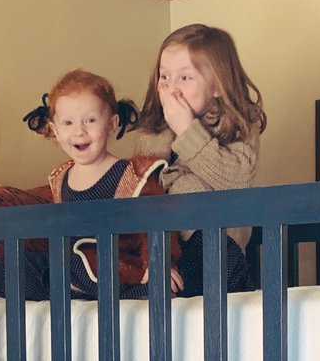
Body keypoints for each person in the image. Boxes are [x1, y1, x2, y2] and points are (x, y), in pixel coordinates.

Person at [15, 68, 182, 301]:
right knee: (14, 268)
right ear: (55, 129)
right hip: (72, 266)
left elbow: (156, 225)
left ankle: (135, 291)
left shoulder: (133, 175)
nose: (79, 131)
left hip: (121, 266)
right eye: (68, 123)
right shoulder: (60, 178)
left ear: (113, 124)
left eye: (90, 120)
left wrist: (159, 263)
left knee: (87, 267)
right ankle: (68, 287)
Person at [132, 23, 267, 295]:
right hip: (166, 246)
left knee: (218, 259)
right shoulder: (152, 132)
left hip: (216, 244)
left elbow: (236, 181)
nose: (172, 89)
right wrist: (157, 259)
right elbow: (143, 194)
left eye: (185, 78)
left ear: (217, 85)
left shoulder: (239, 121)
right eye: (165, 77)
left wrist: (186, 131)